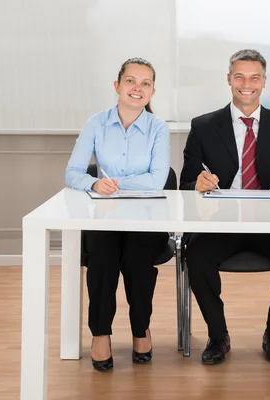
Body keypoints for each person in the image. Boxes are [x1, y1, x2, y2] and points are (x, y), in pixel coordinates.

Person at [179, 49, 270, 365]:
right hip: (222, 222)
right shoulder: (204, 125)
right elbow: (185, 182)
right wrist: (197, 183)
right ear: (228, 79)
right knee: (196, 254)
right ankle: (217, 335)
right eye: (239, 76)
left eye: (254, 77)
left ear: (264, 82)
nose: (246, 83)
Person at [65, 58, 171, 371]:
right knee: (101, 260)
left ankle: (141, 329)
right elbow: (72, 173)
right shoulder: (95, 124)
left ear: (152, 91)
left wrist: (114, 183)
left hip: (146, 216)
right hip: (104, 215)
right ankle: (100, 333)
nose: (137, 88)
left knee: (138, 262)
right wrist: (95, 182)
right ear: (117, 85)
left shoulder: (158, 128)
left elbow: (157, 179)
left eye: (145, 83)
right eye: (130, 81)